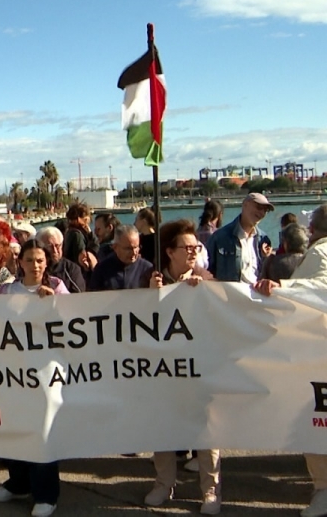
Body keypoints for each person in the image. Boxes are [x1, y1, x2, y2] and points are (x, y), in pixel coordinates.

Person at [255, 204, 327, 517]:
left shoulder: (321, 253)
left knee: (316, 422)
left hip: (317, 352)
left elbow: (317, 289)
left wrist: (282, 287)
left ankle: (324, 490)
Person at [145, 219, 221, 514]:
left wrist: (204, 294)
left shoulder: (205, 280)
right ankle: (164, 483)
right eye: (186, 247)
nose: (192, 252)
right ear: (169, 252)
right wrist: (149, 296)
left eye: (196, 247)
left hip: (198, 369)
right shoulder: (151, 279)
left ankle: (210, 491)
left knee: (206, 432)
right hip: (161, 370)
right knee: (161, 428)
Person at [0, 241, 66, 516]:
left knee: (42, 432)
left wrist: (56, 305)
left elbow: (77, 323)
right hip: (12, 374)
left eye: (40, 260)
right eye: (30, 260)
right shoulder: (6, 291)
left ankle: (46, 494)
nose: (35, 265)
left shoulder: (58, 288)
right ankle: (18, 482)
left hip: (46, 375)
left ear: (46, 263)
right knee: (14, 429)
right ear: (19, 262)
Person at [206, 193, 273, 284]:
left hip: (257, 295)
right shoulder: (220, 237)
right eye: (259, 207)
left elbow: (267, 274)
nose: (262, 213)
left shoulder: (263, 240)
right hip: (230, 295)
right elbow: (207, 270)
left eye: (265, 210)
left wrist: (268, 258)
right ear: (245, 205)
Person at [89, 225, 155, 292]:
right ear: (115, 247)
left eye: (136, 247)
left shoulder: (147, 269)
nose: (134, 252)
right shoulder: (102, 269)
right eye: (128, 249)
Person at [35, 226, 86, 292]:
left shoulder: (71, 269)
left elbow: (80, 296)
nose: (55, 251)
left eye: (57, 246)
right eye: (49, 247)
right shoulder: (33, 268)